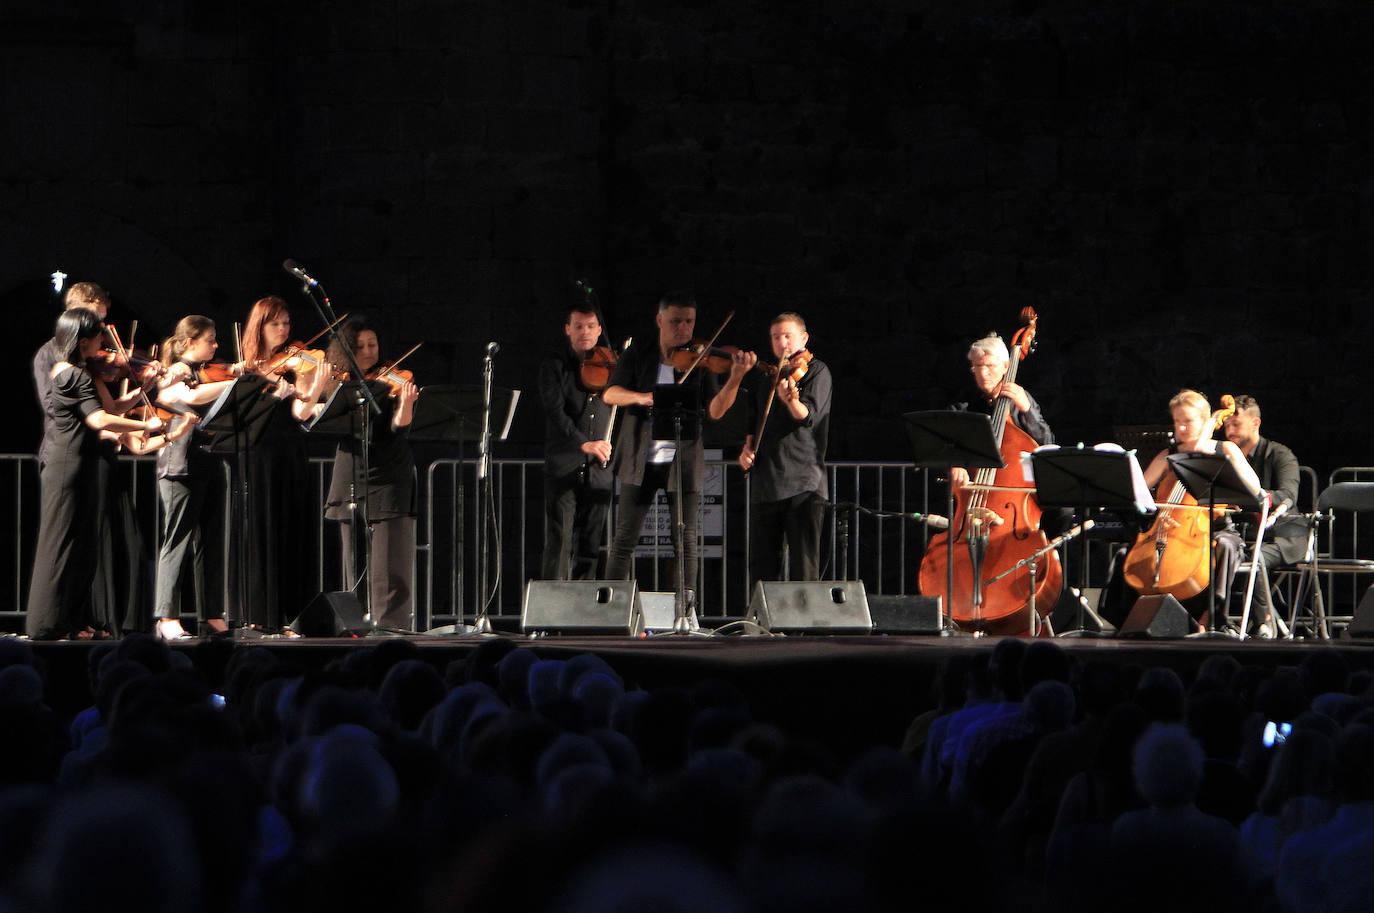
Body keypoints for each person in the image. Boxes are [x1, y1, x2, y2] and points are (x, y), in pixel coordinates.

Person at [25, 309, 192, 640]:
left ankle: (70, 620)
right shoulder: (71, 374)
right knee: (60, 544)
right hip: (66, 465)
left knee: (82, 547)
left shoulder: (83, 373)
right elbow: (98, 420)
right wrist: (146, 424)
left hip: (82, 463)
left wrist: (135, 395)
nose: (105, 344)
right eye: (100, 338)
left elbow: (110, 409)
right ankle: (45, 623)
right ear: (83, 341)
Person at [601, 292, 753, 609]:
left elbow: (715, 411)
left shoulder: (700, 360)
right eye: (675, 322)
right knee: (624, 538)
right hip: (640, 457)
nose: (683, 329)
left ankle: (685, 611)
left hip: (682, 459)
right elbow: (610, 394)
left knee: (685, 539)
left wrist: (734, 380)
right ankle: (612, 609)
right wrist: (642, 398)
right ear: (660, 321)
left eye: (689, 322)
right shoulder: (639, 353)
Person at [231, 296, 330, 632]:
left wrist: (315, 384)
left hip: (289, 450)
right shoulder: (248, 365)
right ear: (260, 325)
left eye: (287, 322)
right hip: (258, 451)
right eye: (276, 323)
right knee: (262, 527)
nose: (284, 329)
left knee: (291, 526)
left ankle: (292, 613)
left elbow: (302, 413)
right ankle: (261, 614)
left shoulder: (298, 361)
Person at [1135, 390, 1264, 629]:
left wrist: (1225, 463)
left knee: (1226, 546)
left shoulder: (1225, 450)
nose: (1181, 429)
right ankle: (1140, 621)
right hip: (1169, 530)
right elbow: (1140, 495)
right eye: (1177, 422)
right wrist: (1156, 517)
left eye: (1188, 421)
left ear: (1206, 421)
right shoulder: (1168, 456)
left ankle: (1211, 619)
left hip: (1215, 530)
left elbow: (1255, 490)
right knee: (1129, 557)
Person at [323, 317, 420, 631]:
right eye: (360, 346)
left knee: (391, 563)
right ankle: (358, 625)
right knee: (355, 561)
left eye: (372, 345)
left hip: (390, 470)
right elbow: (314, 416)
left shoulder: (393, 379)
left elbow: (397, 427)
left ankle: (392, 627)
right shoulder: (340, 384)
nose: (367, 351)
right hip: (351, 469)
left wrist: (405, 404)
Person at [150, 316, 238, 640]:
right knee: (177, 540)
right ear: (190, 343)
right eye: (210, 340)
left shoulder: (200, 372)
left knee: (211, 542)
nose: (216, 346)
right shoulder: (180, 370)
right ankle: (167, 615)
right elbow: (186, 397)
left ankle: (211, 613)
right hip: (180, 463)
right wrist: (231, 384)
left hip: (209, 461)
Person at [737, 312, 831, 585]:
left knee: (804, 568)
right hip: (766, 483)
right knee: (762, 569)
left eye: (788, 336)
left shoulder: (816, 371)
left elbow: (808, 416)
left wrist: (791, 400)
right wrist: (746, 450)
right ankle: (763, 625)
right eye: (776, 337)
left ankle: (805, 628)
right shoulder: (766, 376)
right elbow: (752, 426)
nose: (782, 343)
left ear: (804, 338)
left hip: (804, 484)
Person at [538, 302, 615, 580]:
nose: (585, 332)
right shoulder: (554, 366)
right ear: (568, 329)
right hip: (564, 464)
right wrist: (582, 442)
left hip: (599, 467)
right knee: (559, 541)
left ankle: (584, 615)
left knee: (591, 546)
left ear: (599, 331)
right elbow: (555, 410)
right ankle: (551, 617)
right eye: (579, 326)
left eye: (591, 326)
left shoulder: (610, 365)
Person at [1222, 395, 1304, 638]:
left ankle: (1264, 624)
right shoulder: (1225, 456)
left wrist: (1248, 497)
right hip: (1243, 535)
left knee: (1255, 558)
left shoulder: (1280, 454)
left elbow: (1288, 494)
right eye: (1226, 425)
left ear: (1256, 423)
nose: (1229, 430)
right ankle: (1212, 621)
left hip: (1283, 534)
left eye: (1235, 424)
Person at [948, 333, 1054, 490]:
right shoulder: (962, 405)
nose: (983, 373)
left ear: (1006, 366)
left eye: (990, 366)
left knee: (1063, 512)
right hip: (975, 489)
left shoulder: (1021, 399)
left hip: (1016, 488)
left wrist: (1027, 410)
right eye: (977, 366)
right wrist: (955, 464)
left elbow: (1047, 443)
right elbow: (945, 444)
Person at [32, 282, 109, 471]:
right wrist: (98, 423)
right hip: (63, 452)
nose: (101, 328)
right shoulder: (49, 353)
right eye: (96, 318)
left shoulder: (89, 357)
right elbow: (52, 405)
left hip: (92, 450)